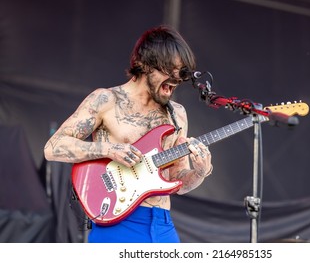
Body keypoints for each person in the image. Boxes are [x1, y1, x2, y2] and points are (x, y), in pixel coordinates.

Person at [44, 25, 213, 243]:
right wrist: (109, 149)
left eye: (180, 73)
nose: (177, 79)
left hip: (162, 225)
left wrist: (200, 172)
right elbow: (53, 147)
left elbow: (178, 181)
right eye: (169, 69)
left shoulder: (177, 114)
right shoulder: (106, 100)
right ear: (144, 64)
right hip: (117, 223)